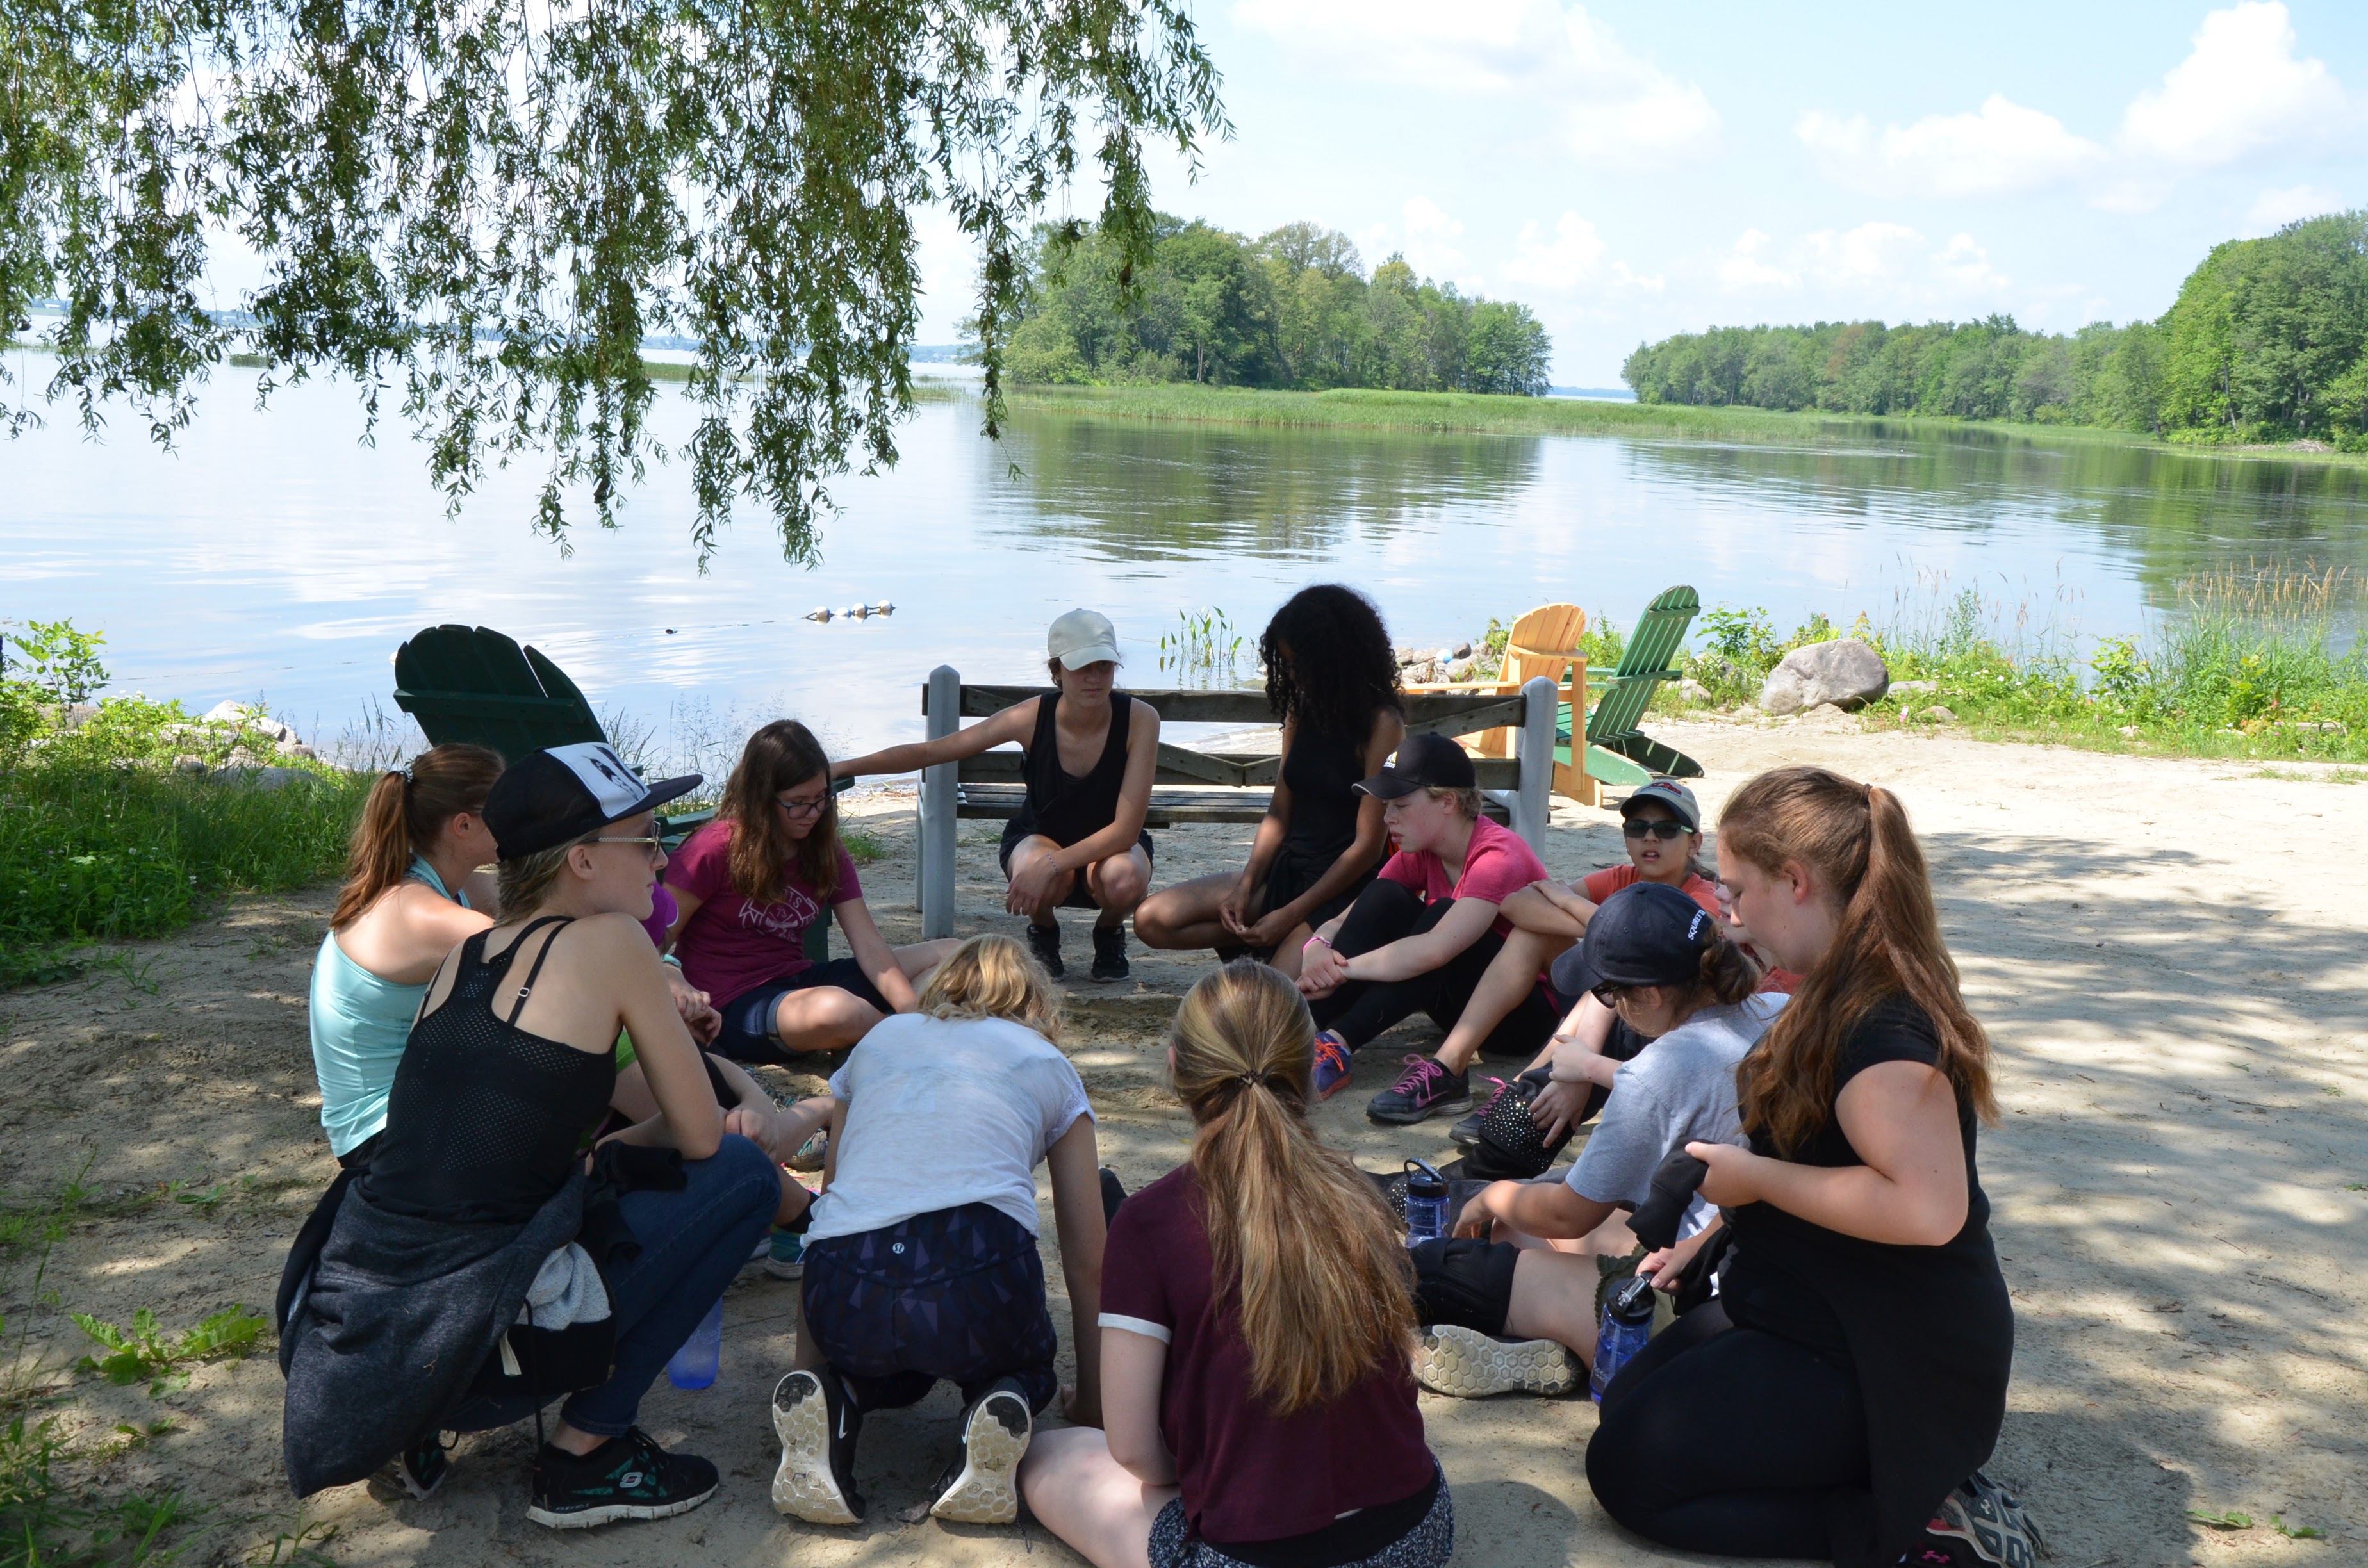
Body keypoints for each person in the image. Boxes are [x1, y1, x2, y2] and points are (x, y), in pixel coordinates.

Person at [279, 742, 796, 1528]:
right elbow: (698, 1139)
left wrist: (628, 1145)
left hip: (375, 1334)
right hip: (475, 1346)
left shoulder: (469, 954)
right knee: (744, 1174)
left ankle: (417, 1421)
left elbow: (531, 1158)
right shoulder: (615, 945)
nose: (662, 863)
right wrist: (750, 1117)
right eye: (647, 840)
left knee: (622, 1178)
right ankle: (587, 1456)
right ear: (582, 861)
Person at [1586, 765, 2027, 1568]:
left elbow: (1927, 1210)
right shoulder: (1831, 986)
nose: (1727, 908)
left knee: (1627, 1473)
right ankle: (1887, 1485)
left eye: (1739, 888)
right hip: (1813, 1303)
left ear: (1796, 882)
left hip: (1892, 1351)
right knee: (1626, 1409)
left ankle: (1913, 1529)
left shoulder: (1885, 1028)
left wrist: (1754, 1184)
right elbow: (1809, 1155)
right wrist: (1709, 1234)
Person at [1018, 963, 1454, 1568]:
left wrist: (1202, 1462)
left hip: (1252, 1555)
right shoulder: (1361, 1196)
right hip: (1415, 1536)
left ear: (1176, 1071)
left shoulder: (1148, 1222)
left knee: (1048, 1456)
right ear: (1310, 1076)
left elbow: (1134, 1449)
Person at [769, 933, 1106, 1527]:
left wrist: (811, 1367)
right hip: (974, 1283)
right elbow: (1088, 1259)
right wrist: (1096, 1407)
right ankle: (998, 1400)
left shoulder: (879, 1042)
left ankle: (835, 1400)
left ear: (942, 986)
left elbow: (834, 1208)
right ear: (1035, 1004)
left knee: (887, 1369)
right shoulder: (1047, 1063)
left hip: (848, 1284)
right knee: (1026, 1366)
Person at [1406, 883, 1777, 1396]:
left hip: (1696, 1301)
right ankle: (1550, 1346)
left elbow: (1569, 1212)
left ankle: (1578, 1342)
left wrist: (1494, 1194)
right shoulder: (1775, 1010)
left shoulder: (1658, 1071)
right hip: (1721, 1250)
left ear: (1648, 996)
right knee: (1516, 1234)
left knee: (1448, 1268)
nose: (1606, 1004)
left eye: (1608, 993)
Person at [1368, 778, 1717, 1127]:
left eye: (1667, 829)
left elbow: (1655, 951)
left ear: (1695, 843)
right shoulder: (1620, 879)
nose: (1650, 838)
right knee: (1531, 933)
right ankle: (1449, 1067)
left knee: (1621, 968)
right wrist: (1604, 932)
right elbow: (1517, 903)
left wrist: (1571, 904)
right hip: (1590, 1010)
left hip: (1650, 1031)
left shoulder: (1703, 900)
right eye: (1638, 827)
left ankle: (1526, 1088)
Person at [834, 609, 1158, 981]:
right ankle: (1043, 930)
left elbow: (1125, 832)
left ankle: (1109, 931)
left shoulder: (1140, 719)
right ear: (1057, 672)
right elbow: (931, 752)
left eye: (1104, 665)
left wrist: (1051, 865)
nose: (1094, 677)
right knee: (1037, 866)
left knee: (1124, 879)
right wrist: (843, 767)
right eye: (1082, 666)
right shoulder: (1030, 717)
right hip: (1039, 835)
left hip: (1112, 845)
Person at [1133, 585, 1402, 979]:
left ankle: (1291, 948)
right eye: (1287, 665)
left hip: (1343, 891)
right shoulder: (1300, 707)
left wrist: (1292, 913)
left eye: (1299, 665)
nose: (1291, 675)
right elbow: (1280, 811)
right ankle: (1260, 944)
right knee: (1151, 919)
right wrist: (1246, 884)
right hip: (1288, 871)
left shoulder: (1383, 724)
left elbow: (1367, 848)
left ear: (1334, 659)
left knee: (1272, 999)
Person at [667, 720, 957, 1061]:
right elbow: (654, 937)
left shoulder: (824, 848)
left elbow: (869, 945)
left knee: (955, 955)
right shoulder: (713, 849)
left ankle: (894, 1030)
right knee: (839, 1011)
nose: (813, 814)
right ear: (761, 798)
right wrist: (672, 975)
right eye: (798, 802)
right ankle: (914, 1040)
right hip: (734, 1006)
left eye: (821, 799)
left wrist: (907, 1006)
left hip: (799, 981)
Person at [1294, 733, 1559, 1104]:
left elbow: (1435, 951)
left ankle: (1338, 1043)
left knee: (1441, 916)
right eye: (1386, 805)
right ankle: (1300, 1029)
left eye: (1400, 805)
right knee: (1385, 896)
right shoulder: (1422, 848)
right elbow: (1346, 920)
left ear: (1448, 801)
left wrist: (1341, 969)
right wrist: (1318, 947)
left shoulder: (1499, 856)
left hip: (1517, 1020)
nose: (1387, 818)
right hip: (1456, 999)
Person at [308, 743, 504, 1166]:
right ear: (464, 826)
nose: (519, 817)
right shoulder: (421, 912)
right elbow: (551, 954)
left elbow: (539, 904)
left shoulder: (438, 884)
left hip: (407, 1111)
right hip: (382, 1137)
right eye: (506, 806)